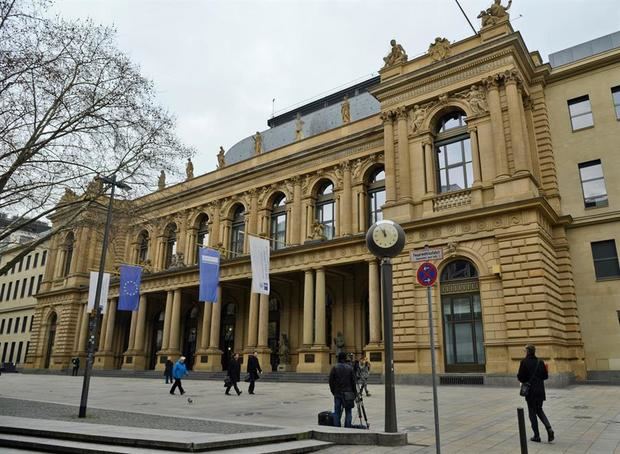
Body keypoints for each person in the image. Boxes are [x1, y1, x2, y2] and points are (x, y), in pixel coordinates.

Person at [517, 344, 555, 443]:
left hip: (530, 392)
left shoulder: (524, 362)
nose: (524, 353)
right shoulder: (540, 362)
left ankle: (536, 436)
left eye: (524, 351)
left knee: (532, 413)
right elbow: (545, 376)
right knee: (539, 410)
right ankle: (549, 428)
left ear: (528, 351)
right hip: (540, 390)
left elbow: (521, 377)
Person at [329, 351, 356, 428]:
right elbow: (353, 382)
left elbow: (331, 381)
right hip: (348, 393)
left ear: (338, 358)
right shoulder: (350, 368)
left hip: (337, 393)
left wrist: (333, 391)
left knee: (337, 411)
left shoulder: (334, 367)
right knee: (348, 411)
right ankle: (348, 427)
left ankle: (337, 427)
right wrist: (355, 393)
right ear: (345, 358)